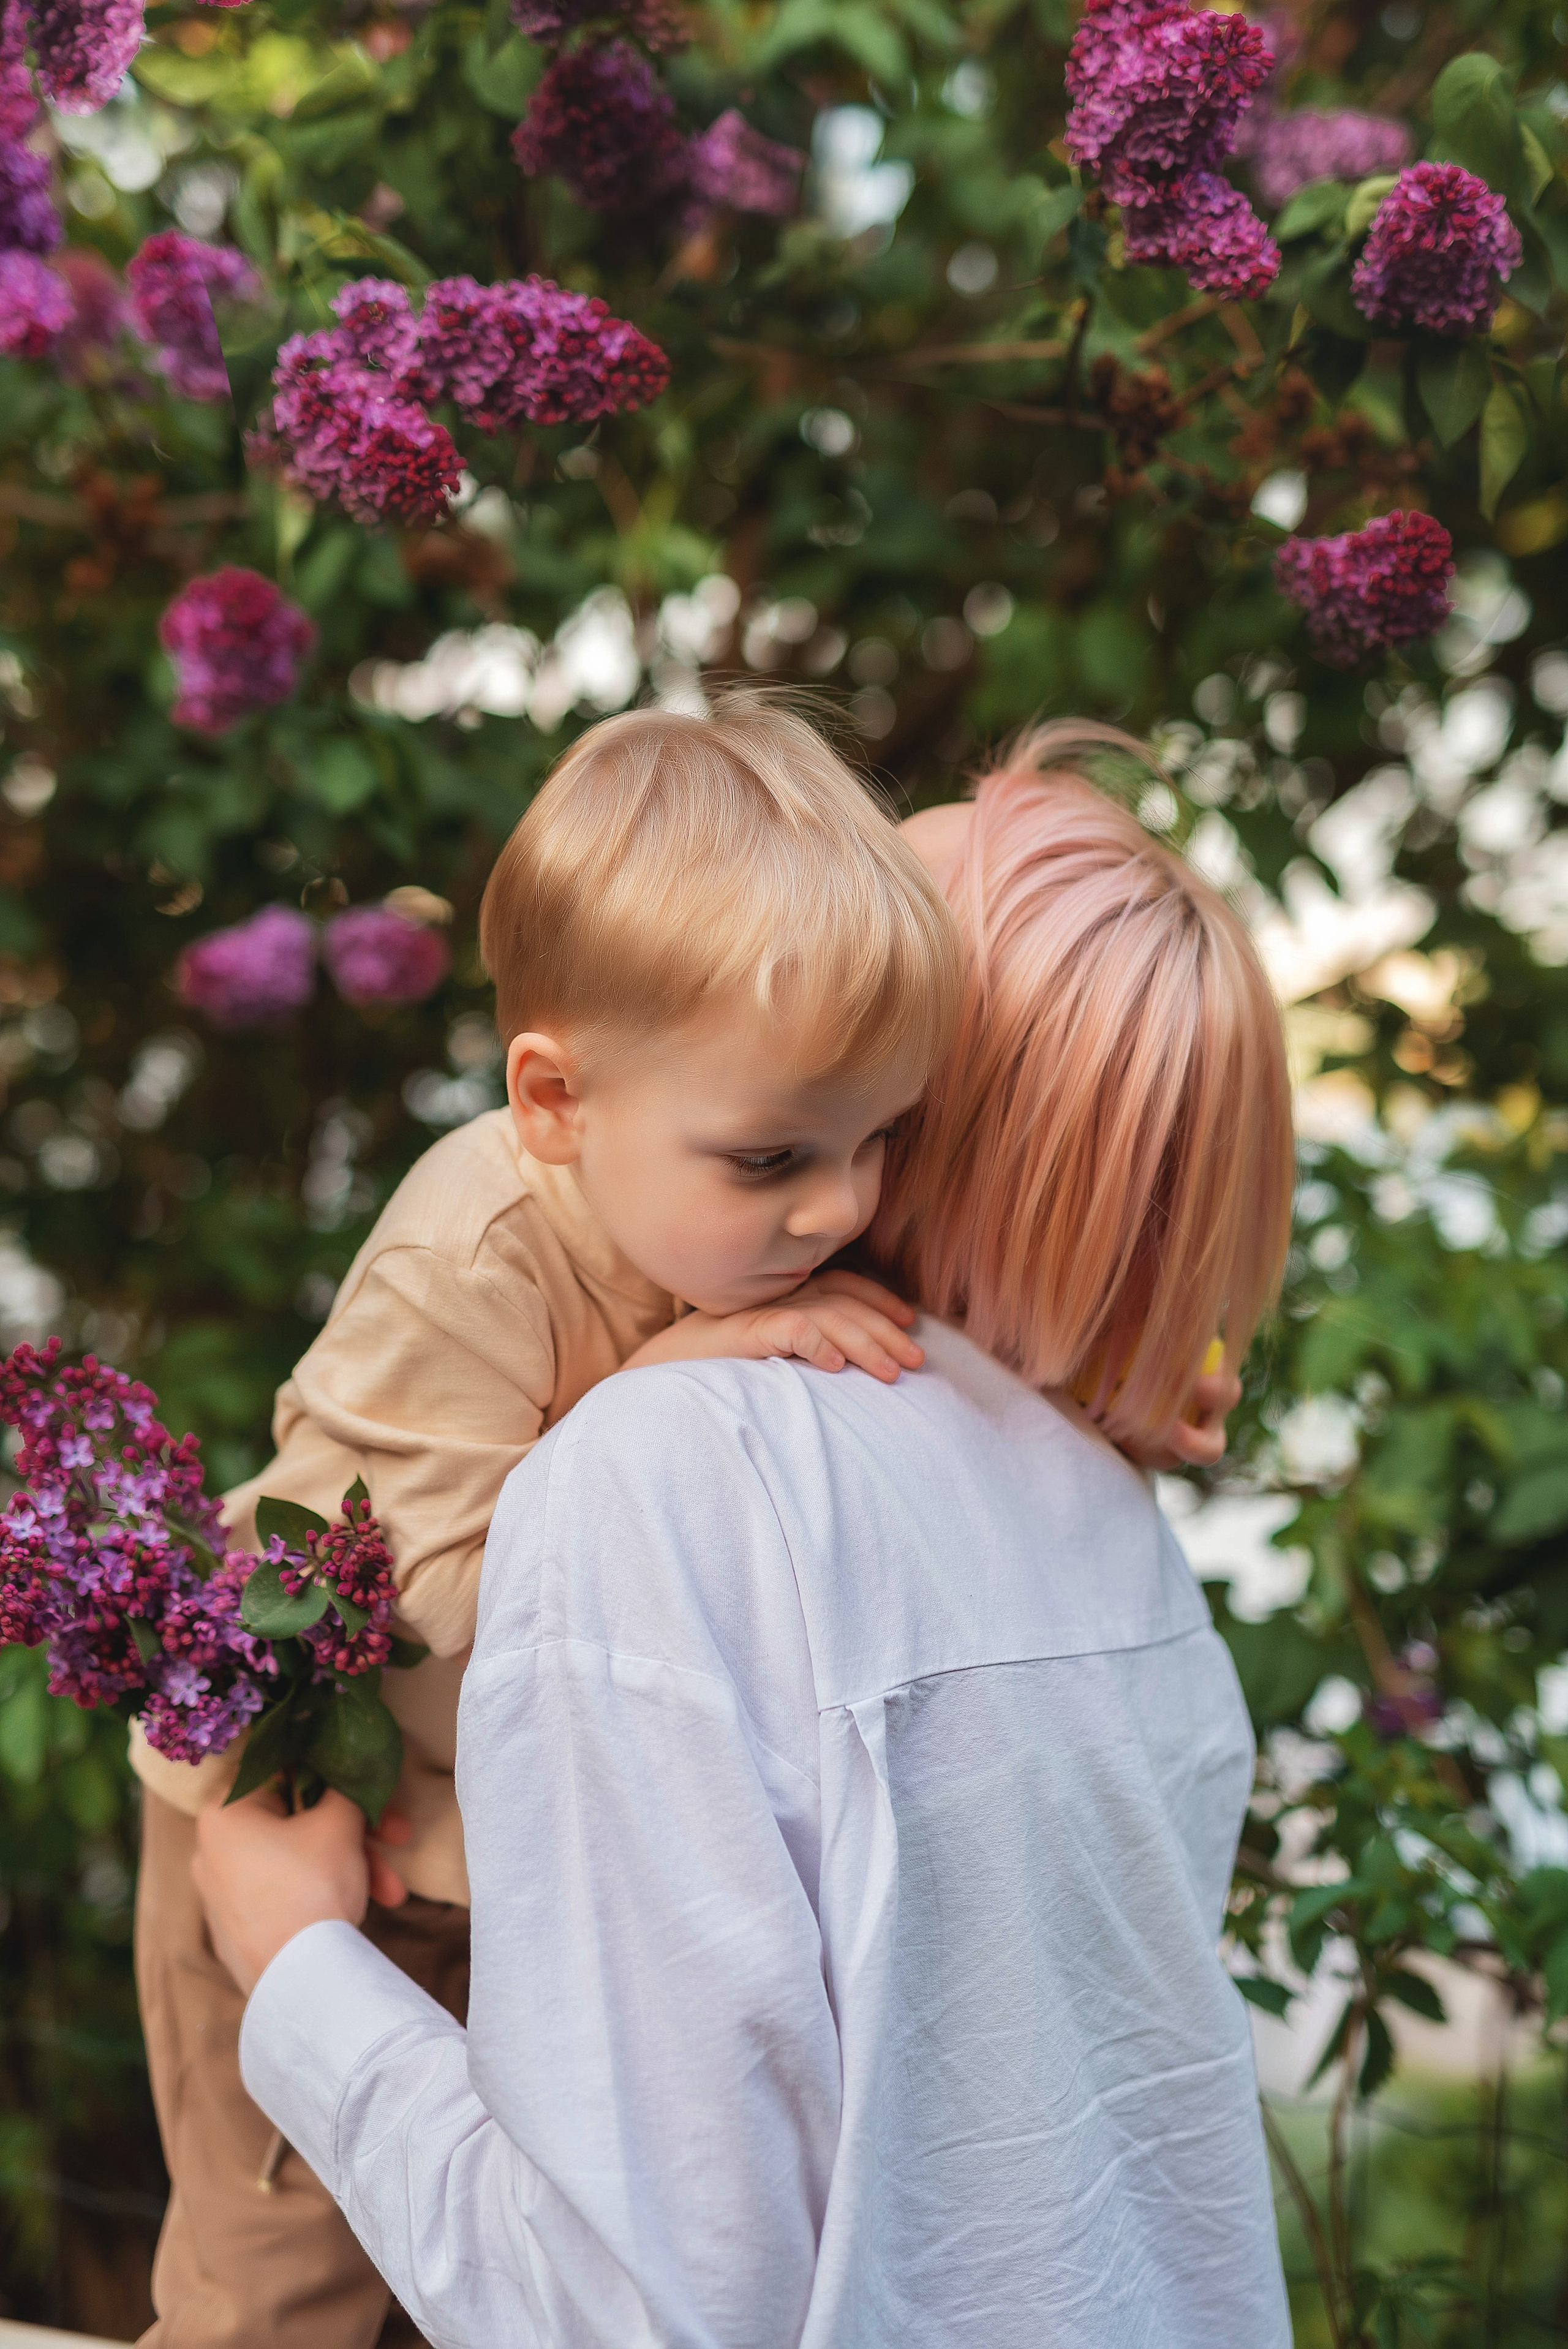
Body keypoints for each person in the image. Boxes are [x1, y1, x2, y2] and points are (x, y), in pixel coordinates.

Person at [195, 726, 1296, 2346]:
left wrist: (295, 1969)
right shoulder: (1121, 1536)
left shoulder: (670, 1466)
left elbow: (624, 2308)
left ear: (929, 1095)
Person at [133, 694, 964, 2349]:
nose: (846, 1205)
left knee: (510, 2279)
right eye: (777, 1154)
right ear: (555, 1100)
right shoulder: (480, 1254)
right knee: (277, 2294)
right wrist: (662, 1380)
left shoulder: (730, 1225)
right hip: (301, 1821)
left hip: (499, 1868)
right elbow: (427, 1622)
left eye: (883, 1138)